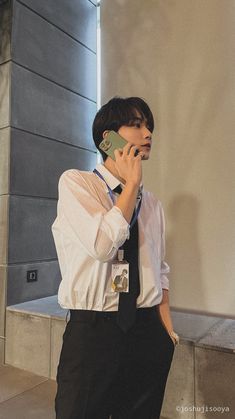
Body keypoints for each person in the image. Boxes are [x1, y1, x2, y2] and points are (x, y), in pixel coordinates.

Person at [51, 96, 179, 419]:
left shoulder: (152, 205)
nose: (147, 132)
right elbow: (103, 245)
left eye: (149, 125)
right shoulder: (77, 184)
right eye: (136, 125)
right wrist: (131, 185)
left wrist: (167, 330)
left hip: (147, 332)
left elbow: (160, 269)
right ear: (108, 138)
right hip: (93, 333)